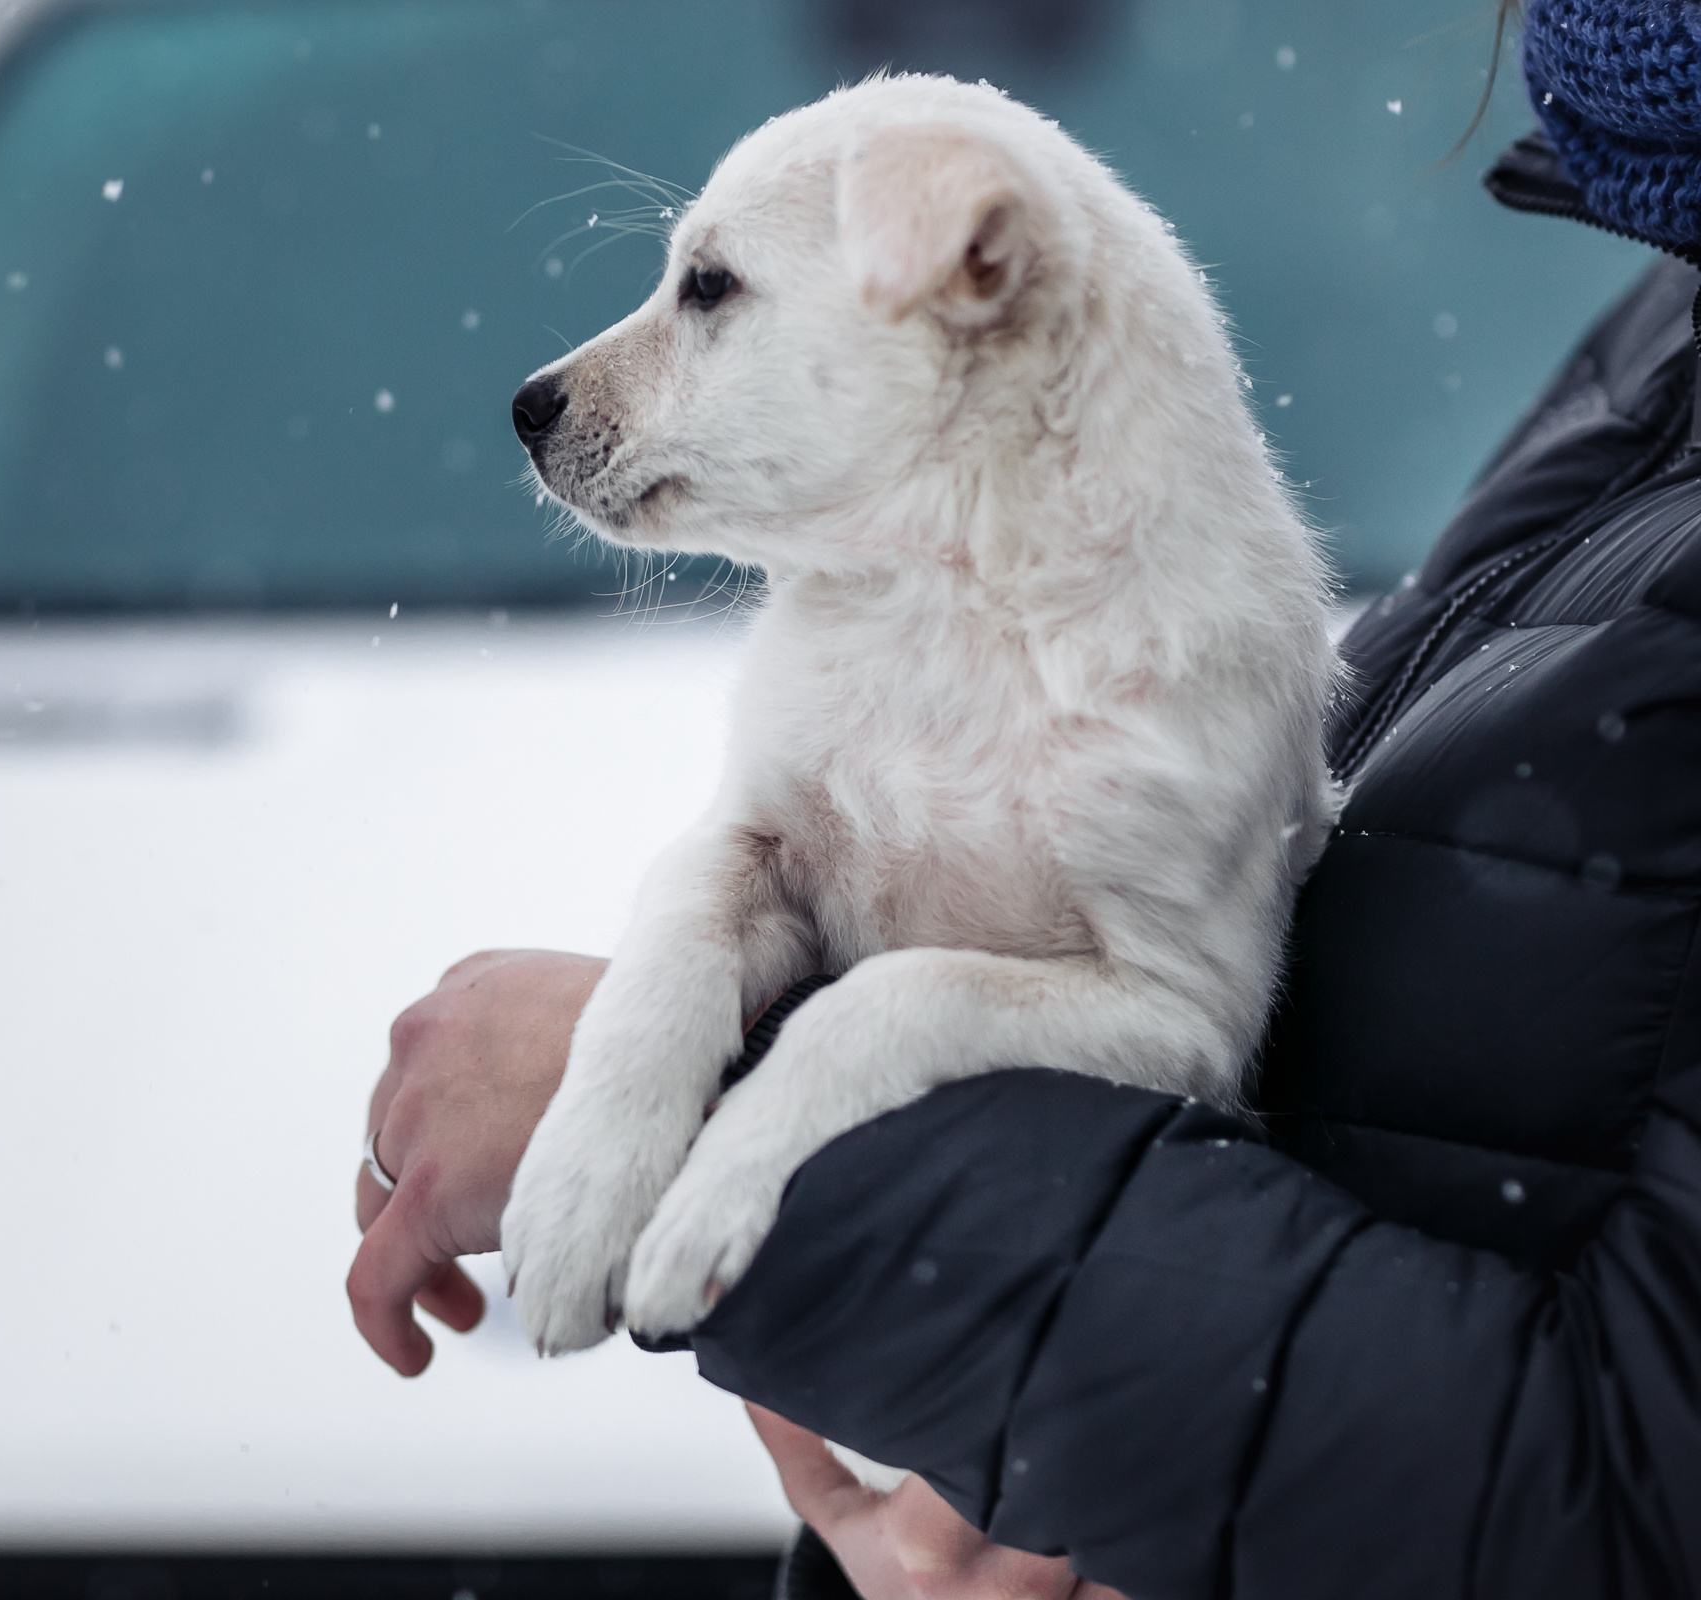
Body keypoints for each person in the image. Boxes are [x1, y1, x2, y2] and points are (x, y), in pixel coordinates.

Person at [351, 3, 1701, 1594]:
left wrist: (774, 1130)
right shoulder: (1655, 348)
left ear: (973, 271)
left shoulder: (1206, 612)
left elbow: (1618, 1498)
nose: (589, 372)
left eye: (710, 291)